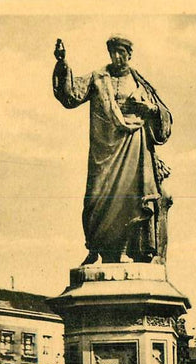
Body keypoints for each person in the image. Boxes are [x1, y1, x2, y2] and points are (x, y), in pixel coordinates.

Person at [52, 36, 173, 264]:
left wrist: (151, 109)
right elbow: (71, 96)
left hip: (134, 146)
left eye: (121, 53)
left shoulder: (140, 83)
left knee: (131, 198)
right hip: (105, 150)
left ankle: (124, 251)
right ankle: (99, 250)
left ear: (129, 54)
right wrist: (62, 63)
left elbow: (164, 118)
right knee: (97, 198)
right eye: (112, 52)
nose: (116, 57)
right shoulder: (98, 78)